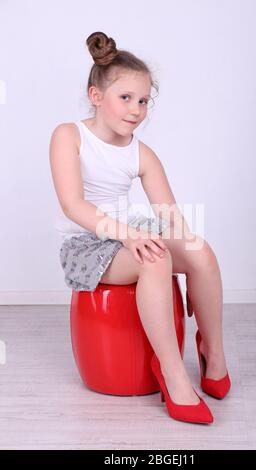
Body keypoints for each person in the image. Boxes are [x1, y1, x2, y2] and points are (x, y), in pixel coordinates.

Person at [49, 31, 230, 425]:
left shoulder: (140, 152)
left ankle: (213, 353)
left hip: (131, 232)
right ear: (96, 96)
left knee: (200, 252)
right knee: (154, 258)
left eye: (144, 100)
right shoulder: (69, 136)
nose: (136, 109)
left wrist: (191, 256)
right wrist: (130, 236)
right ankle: (172, 372)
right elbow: (73, 204)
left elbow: (169, 214)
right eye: (126, 98)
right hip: (88, 242)